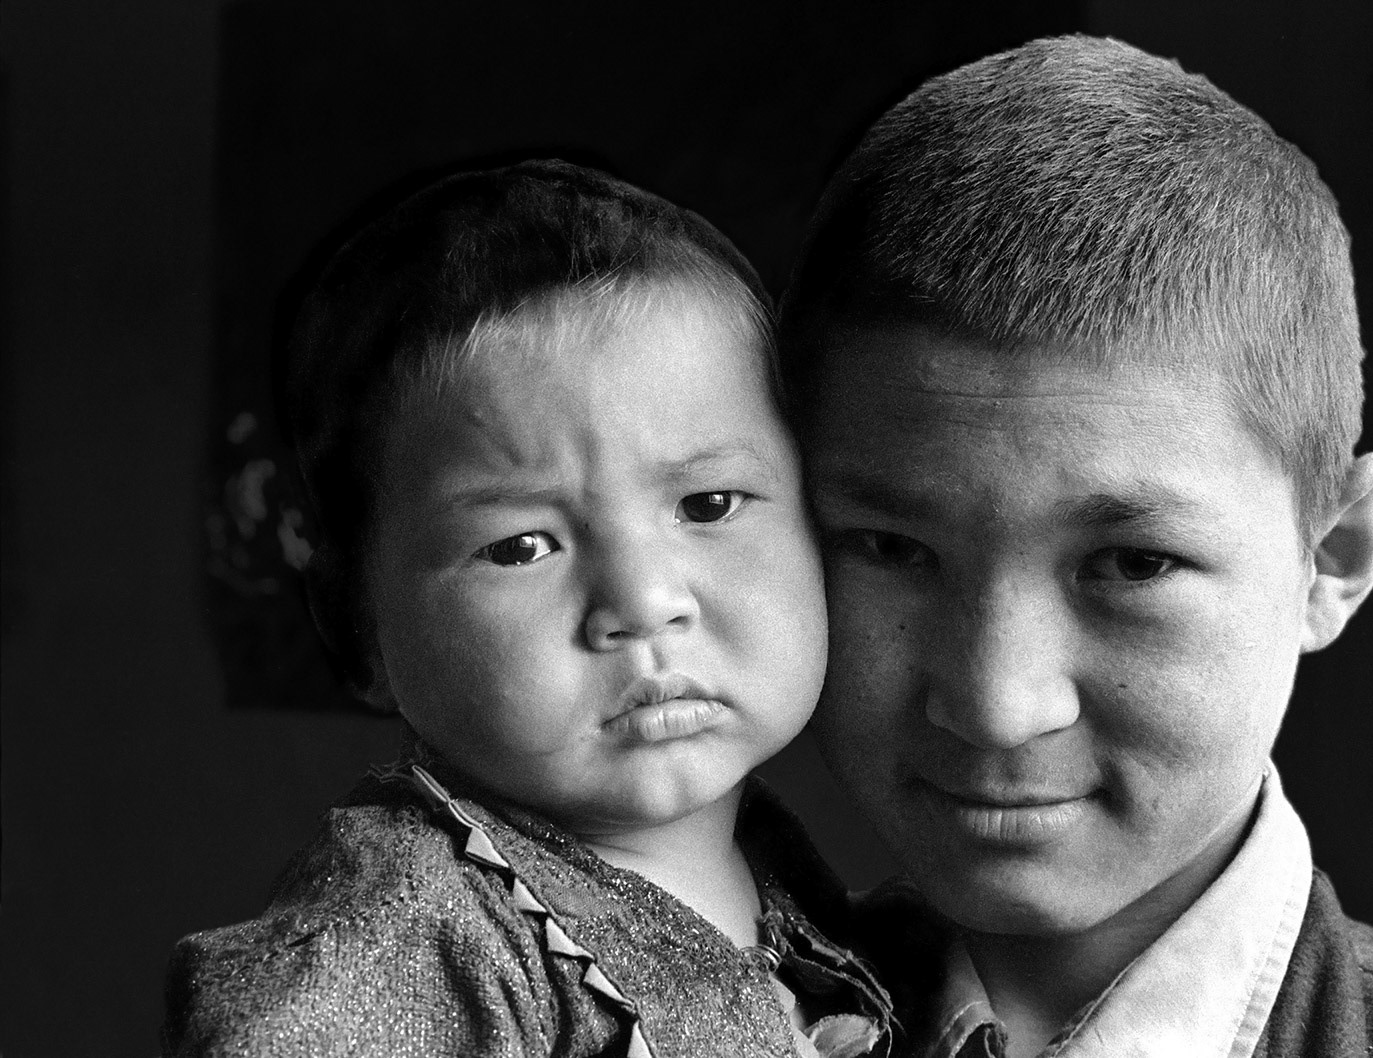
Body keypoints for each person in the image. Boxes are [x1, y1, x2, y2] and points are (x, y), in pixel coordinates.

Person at [778, 34, 1373, 1058]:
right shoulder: (657, 1018)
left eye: (1133, 563)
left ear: (1333, 555)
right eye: (892, 548)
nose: (997, 703)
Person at [163, 159, 890, 1057]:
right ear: (356, 625)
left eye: (708, 505)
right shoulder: (412, 933)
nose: (642, 604)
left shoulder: (789, 878)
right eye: (520, 548)